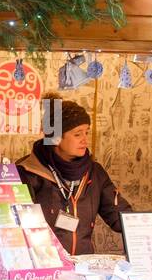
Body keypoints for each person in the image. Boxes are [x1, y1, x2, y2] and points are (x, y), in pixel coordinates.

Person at [17, 96, 131, 257]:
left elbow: (120, 215)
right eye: (77, 134)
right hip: (43, 268)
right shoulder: (27, 172)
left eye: (86, 132)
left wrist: (146, 228)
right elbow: (15, 226)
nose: (85, 140)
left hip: (83, 268)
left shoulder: (94, 172)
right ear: (56, 137)